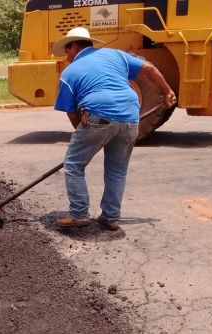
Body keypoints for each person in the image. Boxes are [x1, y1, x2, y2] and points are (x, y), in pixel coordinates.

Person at [52, 27, 175, 230]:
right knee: (117, 171)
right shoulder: (117, 55)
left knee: (73, 165)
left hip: (98, 116)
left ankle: (79, 213)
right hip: (130, 116)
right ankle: (110, 217)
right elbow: (150, 69)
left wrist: (84, 132)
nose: (66, 57)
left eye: (66, 52)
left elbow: (72, 112)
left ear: (74, 46)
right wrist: (167, 91)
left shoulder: (70, 72)